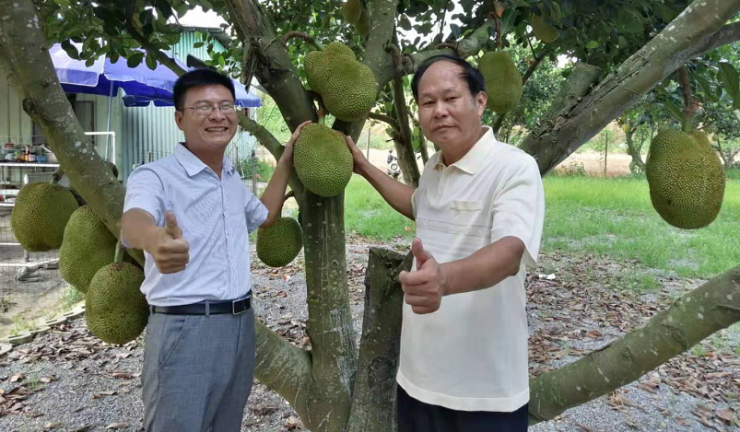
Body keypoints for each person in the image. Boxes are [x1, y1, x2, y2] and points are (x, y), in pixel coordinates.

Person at [345, 54, 545, 432]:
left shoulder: (514, 167)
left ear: (480, 101)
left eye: (451, 98)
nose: (439, 111)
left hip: (484, 390)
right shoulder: (435, 168)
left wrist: (445, 280)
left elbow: (509, 253)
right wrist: (364, 167)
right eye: (427, 102)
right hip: (418, 379)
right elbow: (417, 204)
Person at [121, 68, 307, 432]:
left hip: (239, 326)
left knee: (226, 424)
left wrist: (285, 160)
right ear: (179, 118)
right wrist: (154, 239)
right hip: (185, 325)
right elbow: (132, 222)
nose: (218, 115)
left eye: (226, 106)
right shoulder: (155, 175)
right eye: (203, 107)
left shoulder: (231, 179)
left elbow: (265, 215)